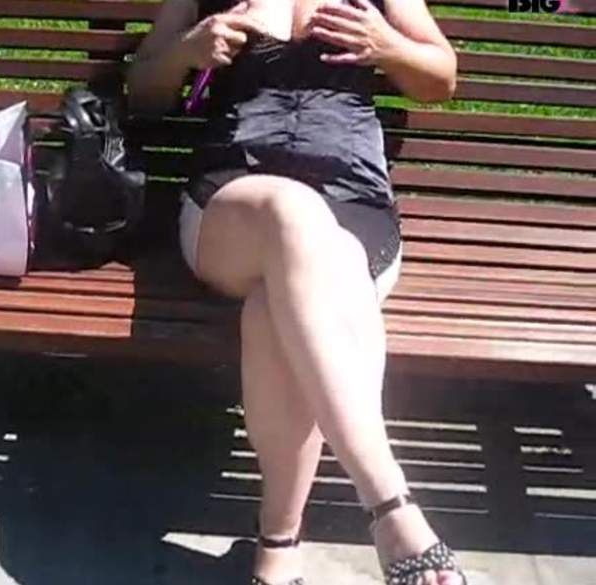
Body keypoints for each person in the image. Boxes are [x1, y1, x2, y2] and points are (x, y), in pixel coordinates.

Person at [126, 0, 463, 584]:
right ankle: (391, 507)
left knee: (274, 308)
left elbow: (441, 77)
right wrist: (188, 51)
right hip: (235, 203)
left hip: (355, 205)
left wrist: (387, 46)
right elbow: (142, 90)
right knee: (294, 214)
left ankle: (277, 550)